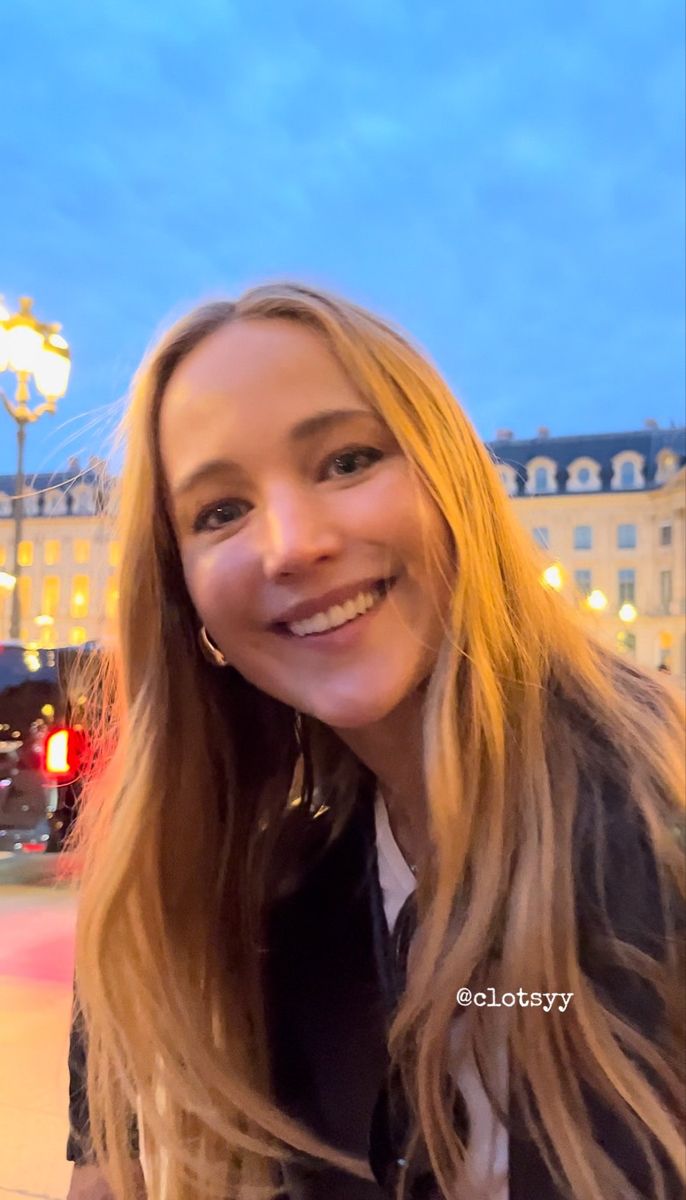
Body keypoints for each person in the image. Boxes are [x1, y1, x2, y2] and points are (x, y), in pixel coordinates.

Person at [66, 282, 685, 1200]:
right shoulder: (258, 890)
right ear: (185, 601)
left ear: (456, 491)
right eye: (219, 512)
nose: (291, 544)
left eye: (348, 459)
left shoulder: (657, 822)